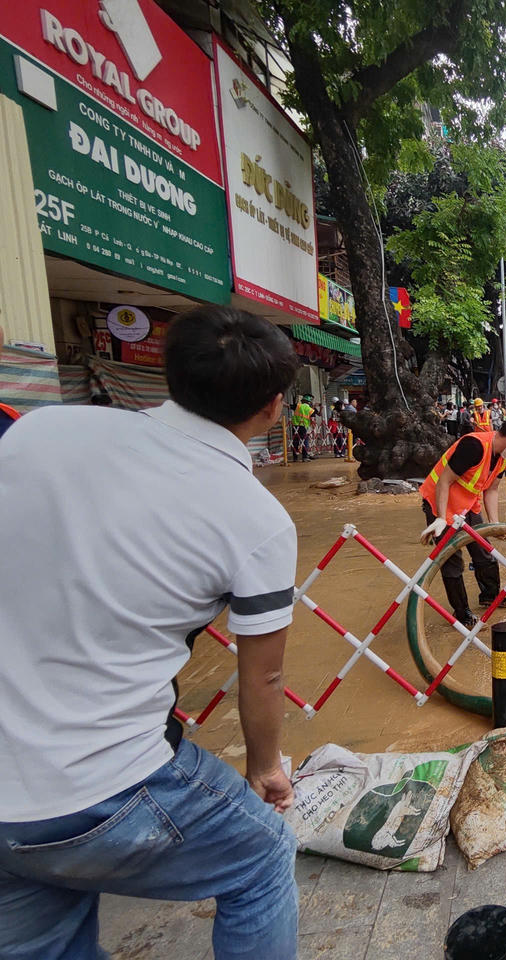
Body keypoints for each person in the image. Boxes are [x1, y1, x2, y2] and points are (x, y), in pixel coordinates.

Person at [0, 305, 301, 959]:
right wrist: (263, 768)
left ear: (169, 373)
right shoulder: (257, 519)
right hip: (106, 785)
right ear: (274, 407)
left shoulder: (35, 435)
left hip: (6, 797)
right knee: (265, 855)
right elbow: (266, 675)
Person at [418, 417, 506, 627]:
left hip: (467, 506)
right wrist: (440, 518)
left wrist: (494, 525)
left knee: (483, 551)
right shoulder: (473, 446)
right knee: (452, 561)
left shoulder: (503, 457)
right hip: (440, 505)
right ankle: (462, 615)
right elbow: (444, 481)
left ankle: (490, 596)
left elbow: (491, 489)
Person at [291, 392, 316, 460]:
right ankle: (305, 457)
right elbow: (312, 420)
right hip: (304, 427)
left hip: (295, 426)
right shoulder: (311, 410)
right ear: (309, 402)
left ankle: (295, 457)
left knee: (295, 441)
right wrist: (313, 427)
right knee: (305, 441)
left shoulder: (298, 406)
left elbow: (288, 405)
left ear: (302, 401)